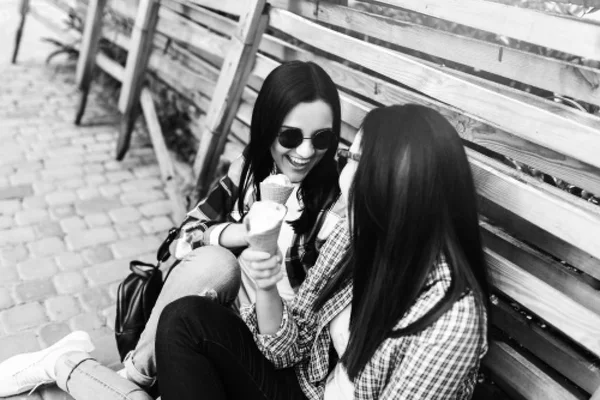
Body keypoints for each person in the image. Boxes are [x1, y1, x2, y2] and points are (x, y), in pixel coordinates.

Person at [0, 60, 345, 398]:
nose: (305, 151)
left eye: (322, 138)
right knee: (215, 262)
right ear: (268, 127)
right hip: (217, 318)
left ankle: (70, 366)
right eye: (289, 136)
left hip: (272, 345)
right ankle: (135, 375)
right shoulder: (251, 170)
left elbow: (299, 339)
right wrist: (240, 232)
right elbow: (184, 239)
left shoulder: (337, 203)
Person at [153, 104, 490, 399]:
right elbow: (288, 350)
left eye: (357, 160)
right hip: (306, 389)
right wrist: (267, 284)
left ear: (402, 183)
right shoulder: (354, 237)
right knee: (184, 321)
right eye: (349, 159)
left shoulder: (451, 319)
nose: (346, 178)